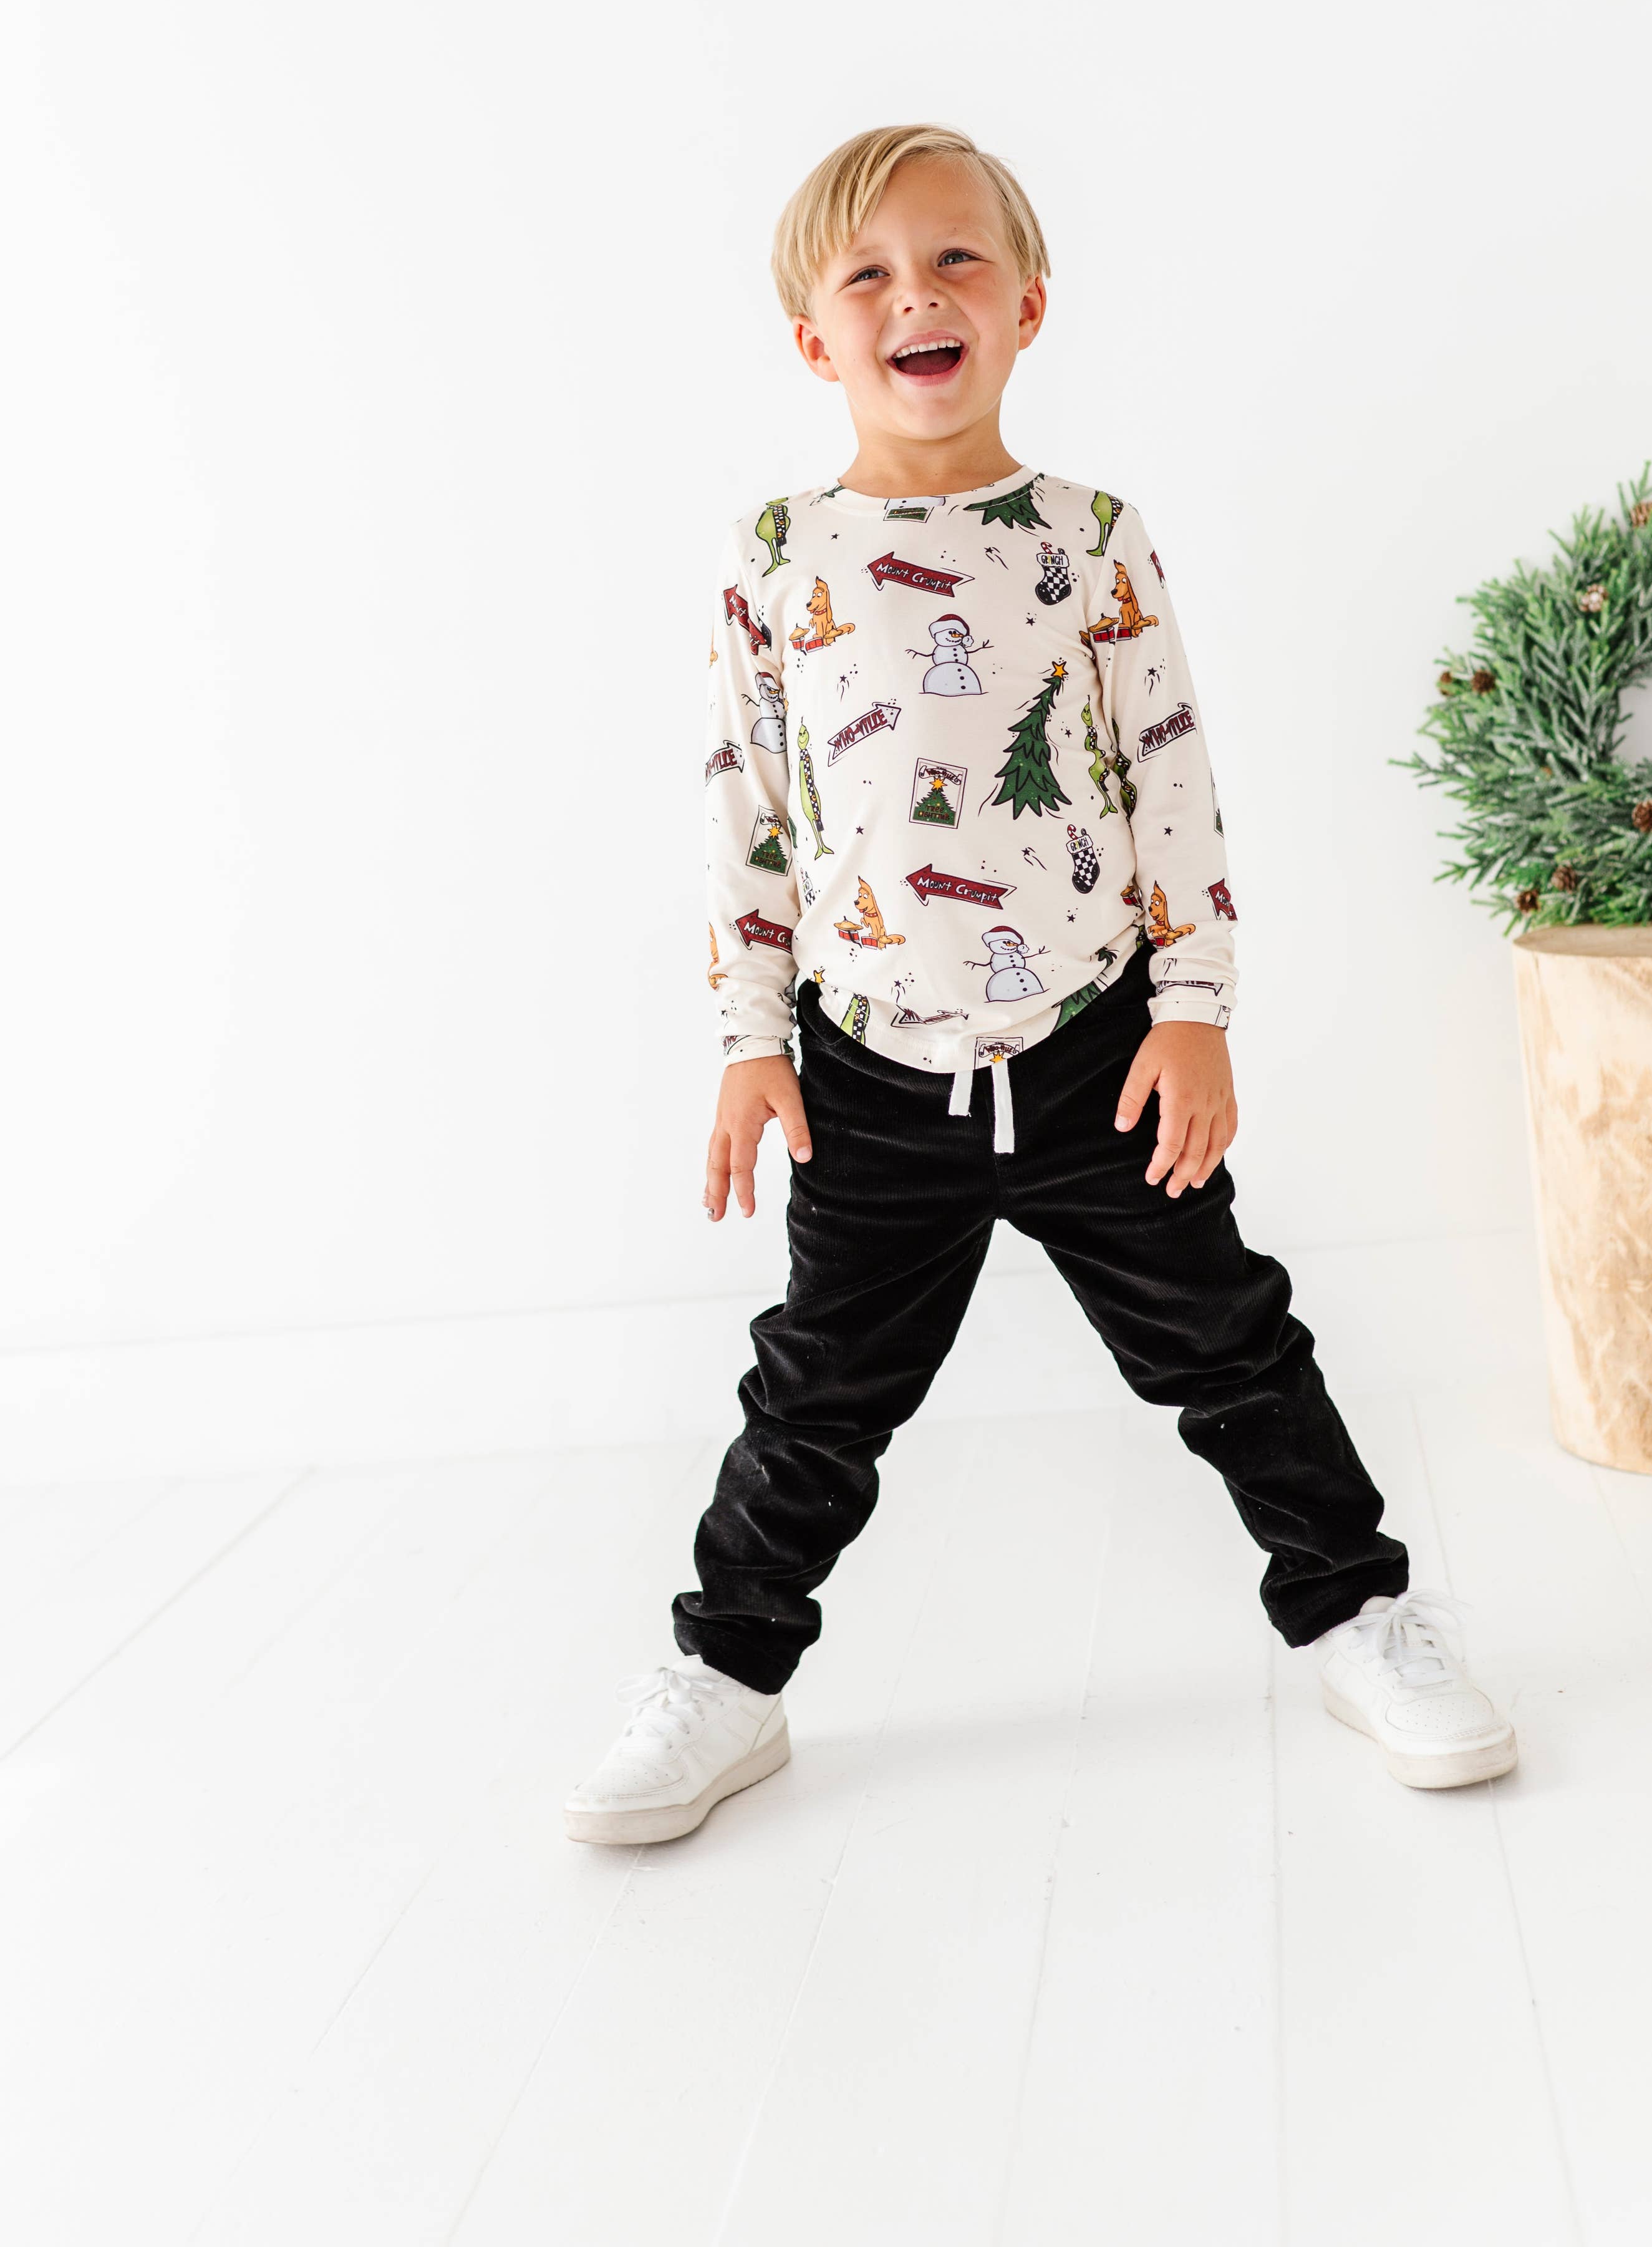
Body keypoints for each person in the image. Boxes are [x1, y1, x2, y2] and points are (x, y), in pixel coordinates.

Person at [564, 124, 1517, 1845]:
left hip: (1098, 1055)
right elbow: (747, 809)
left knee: (1233, 1350)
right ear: (814, 340)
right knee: (817, 1396)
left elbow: (1170, 775)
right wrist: (750, 1039)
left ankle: (1360, 1616)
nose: (915, 297)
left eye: (956, 261)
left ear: (1027, 305)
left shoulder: (1091, 538)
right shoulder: (777, 551)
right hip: (869, 1079)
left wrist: (1194, 1006)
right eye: (868, 275)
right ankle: (727, 1675)